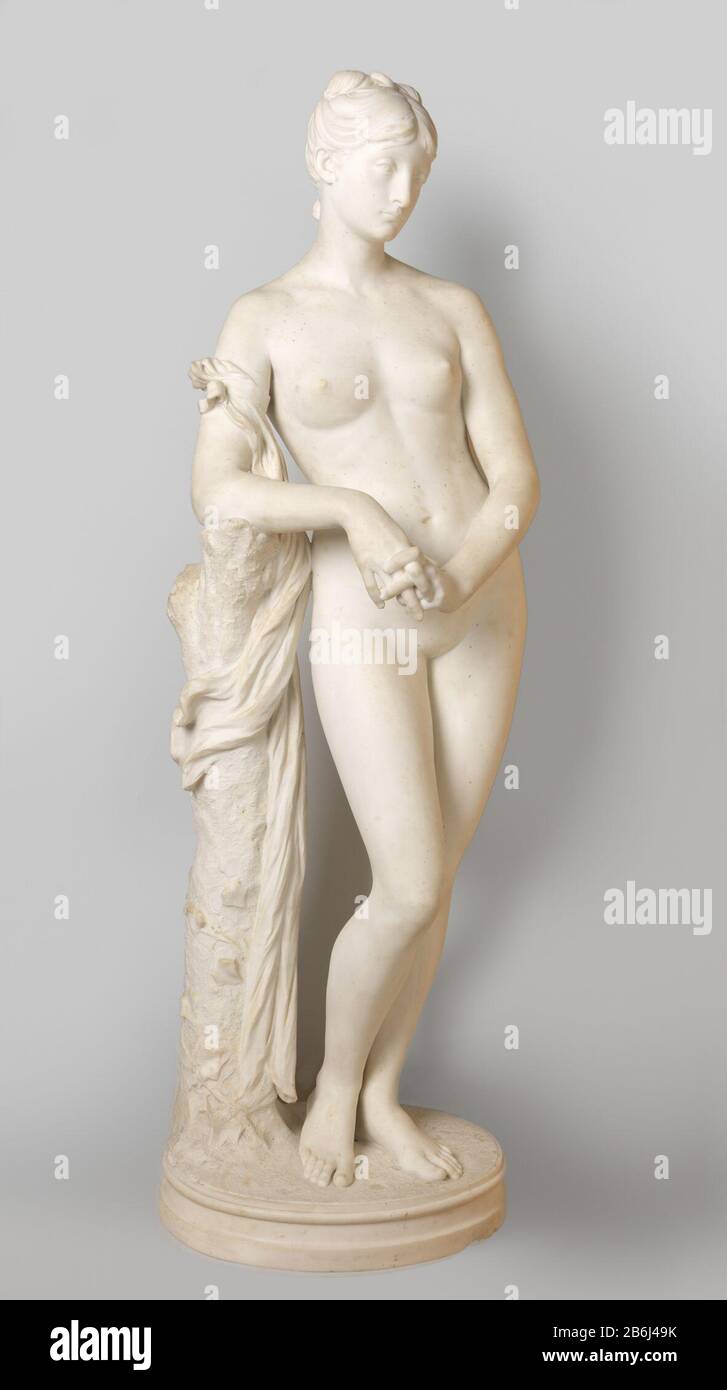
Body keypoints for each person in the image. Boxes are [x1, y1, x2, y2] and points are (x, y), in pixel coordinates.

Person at [191, 70, 540, 1189]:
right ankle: (336, 1086)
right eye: (383, 166)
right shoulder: (263, 318)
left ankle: (383, 1095)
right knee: (410, 883)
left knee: (440, 874)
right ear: (323, 162)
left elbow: (515, 480)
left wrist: (464, 573)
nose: (402, 191)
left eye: (416, 170)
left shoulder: (453, 309)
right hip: (362, 618)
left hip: (481, 605)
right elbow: (220, 488)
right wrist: (350, 508)